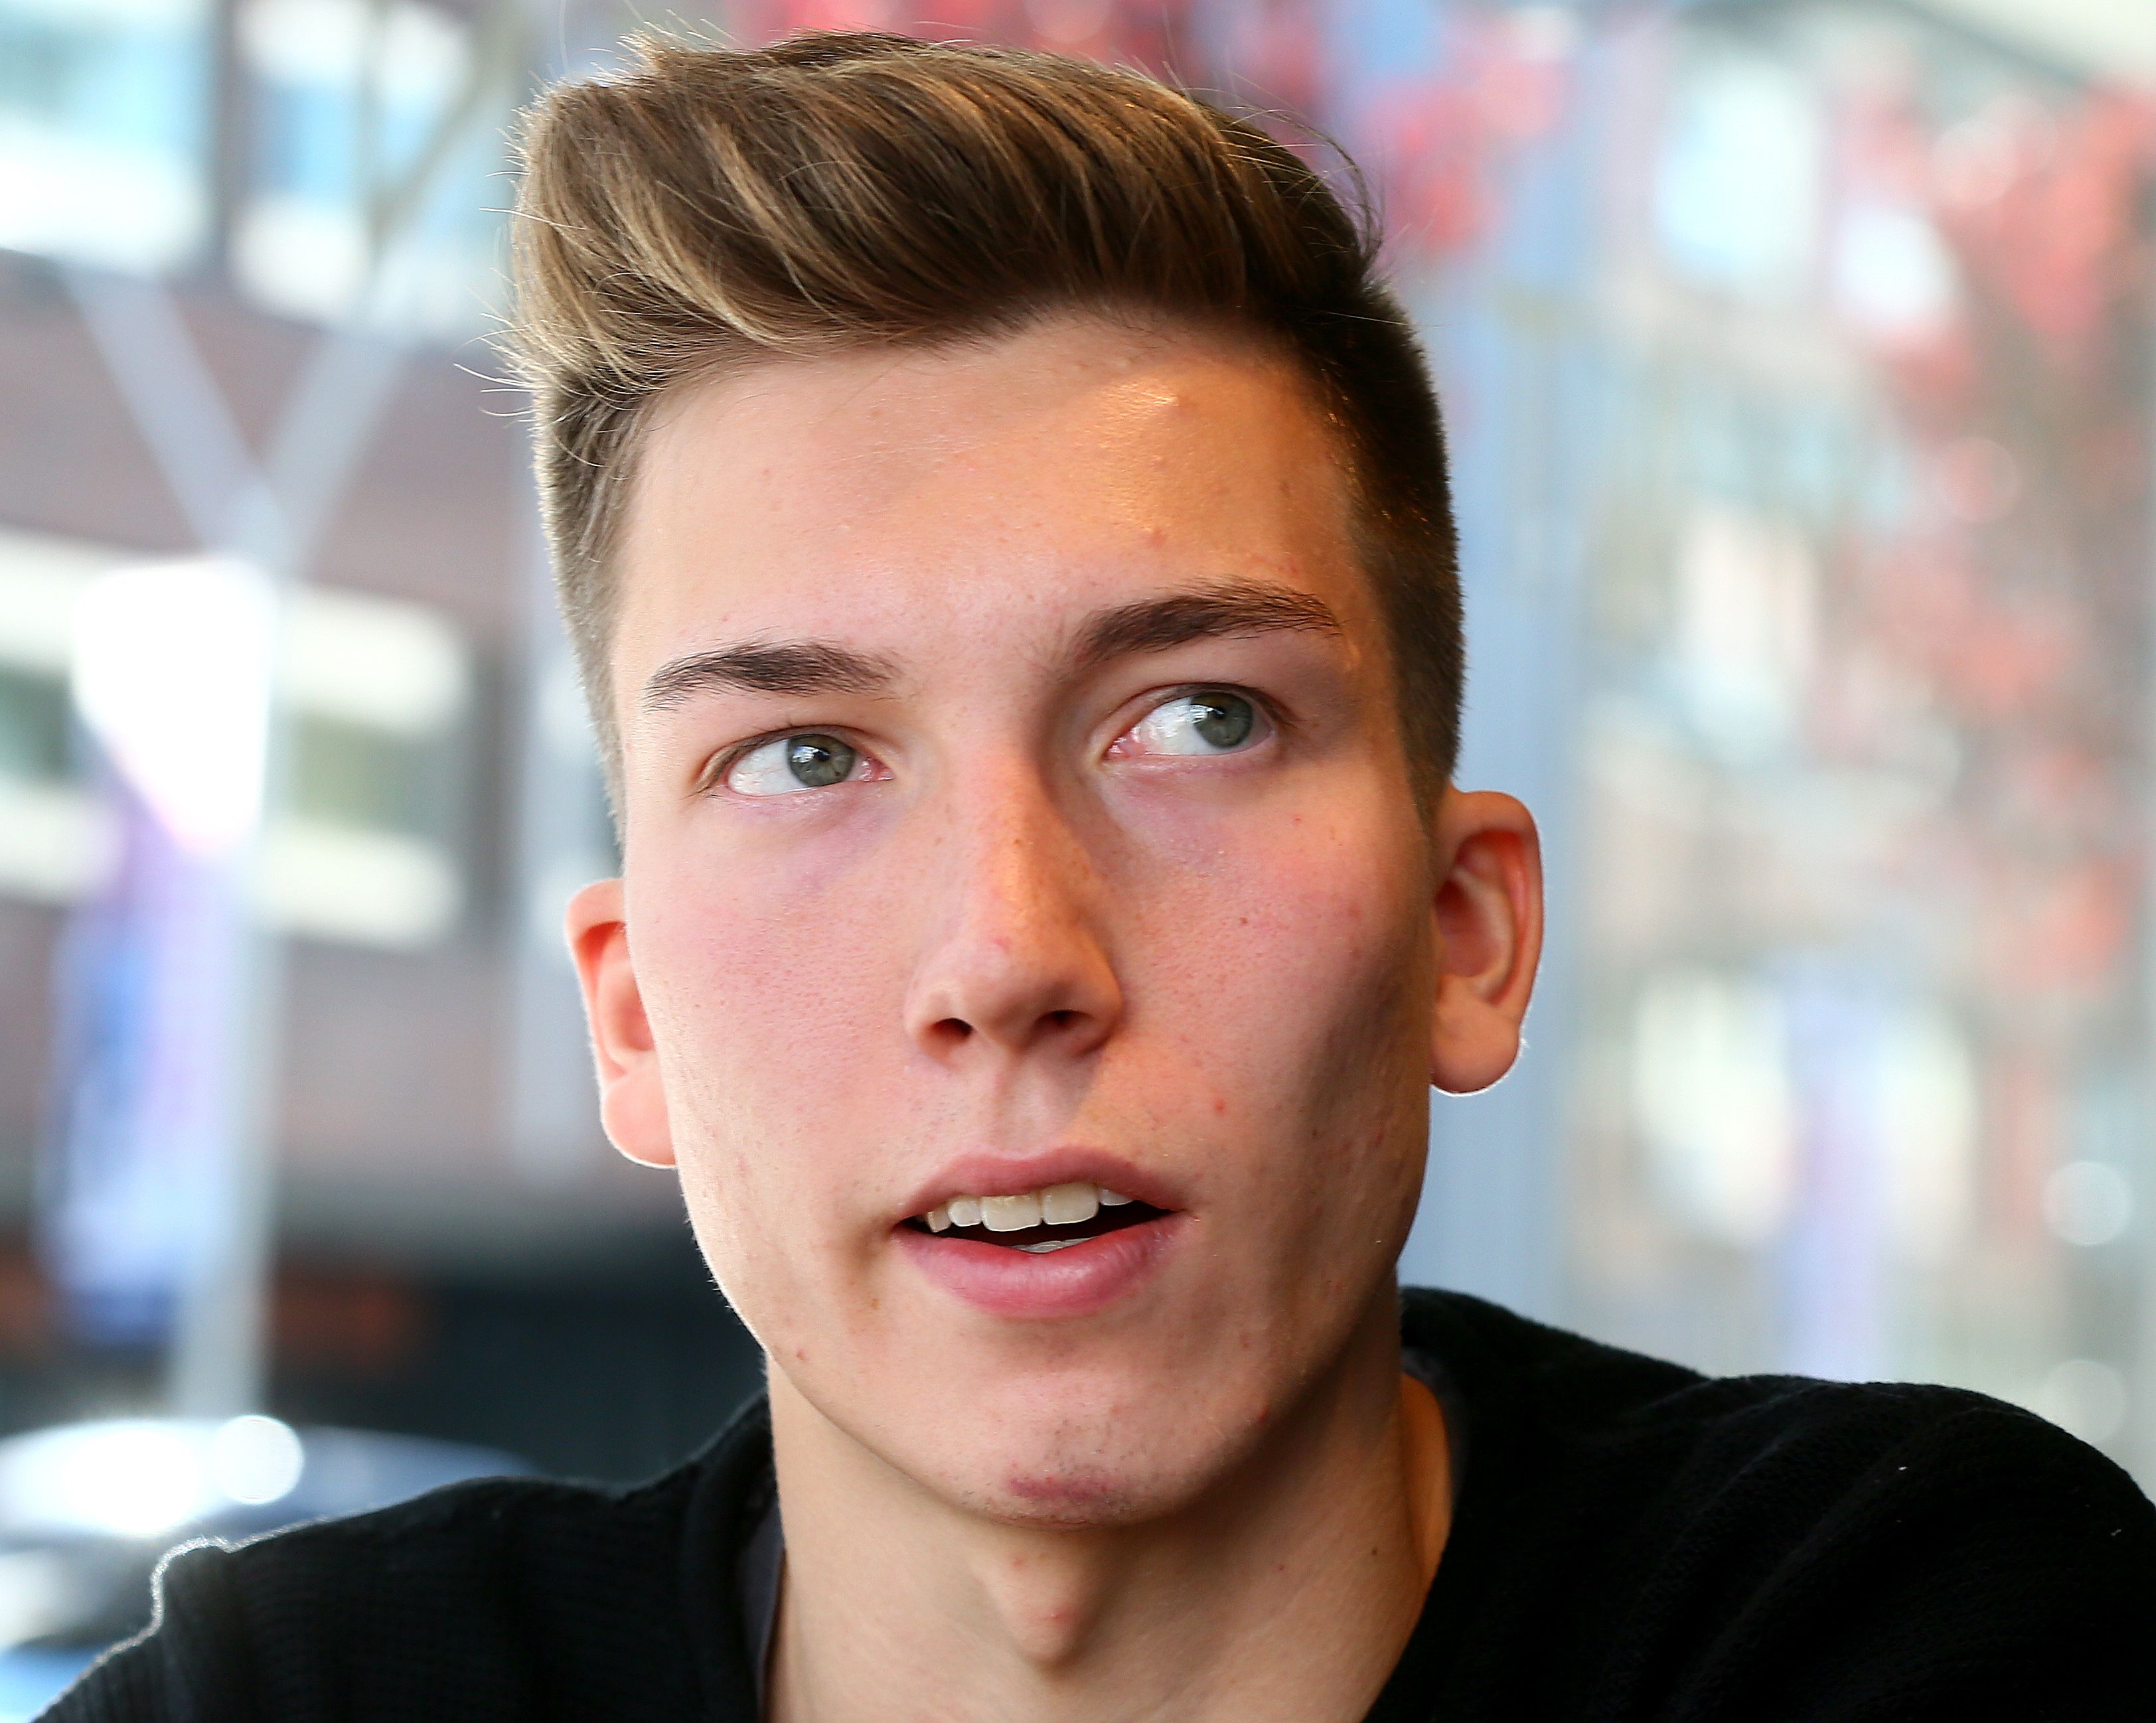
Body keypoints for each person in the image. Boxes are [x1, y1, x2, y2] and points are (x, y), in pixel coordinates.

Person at [48, 30, 2156, 1723]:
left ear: (1467, 933)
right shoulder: (296, 1697)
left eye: (1200, 720)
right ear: (634, 1017)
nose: (1007, 950)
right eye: (803, 757)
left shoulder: (1903, 1628)